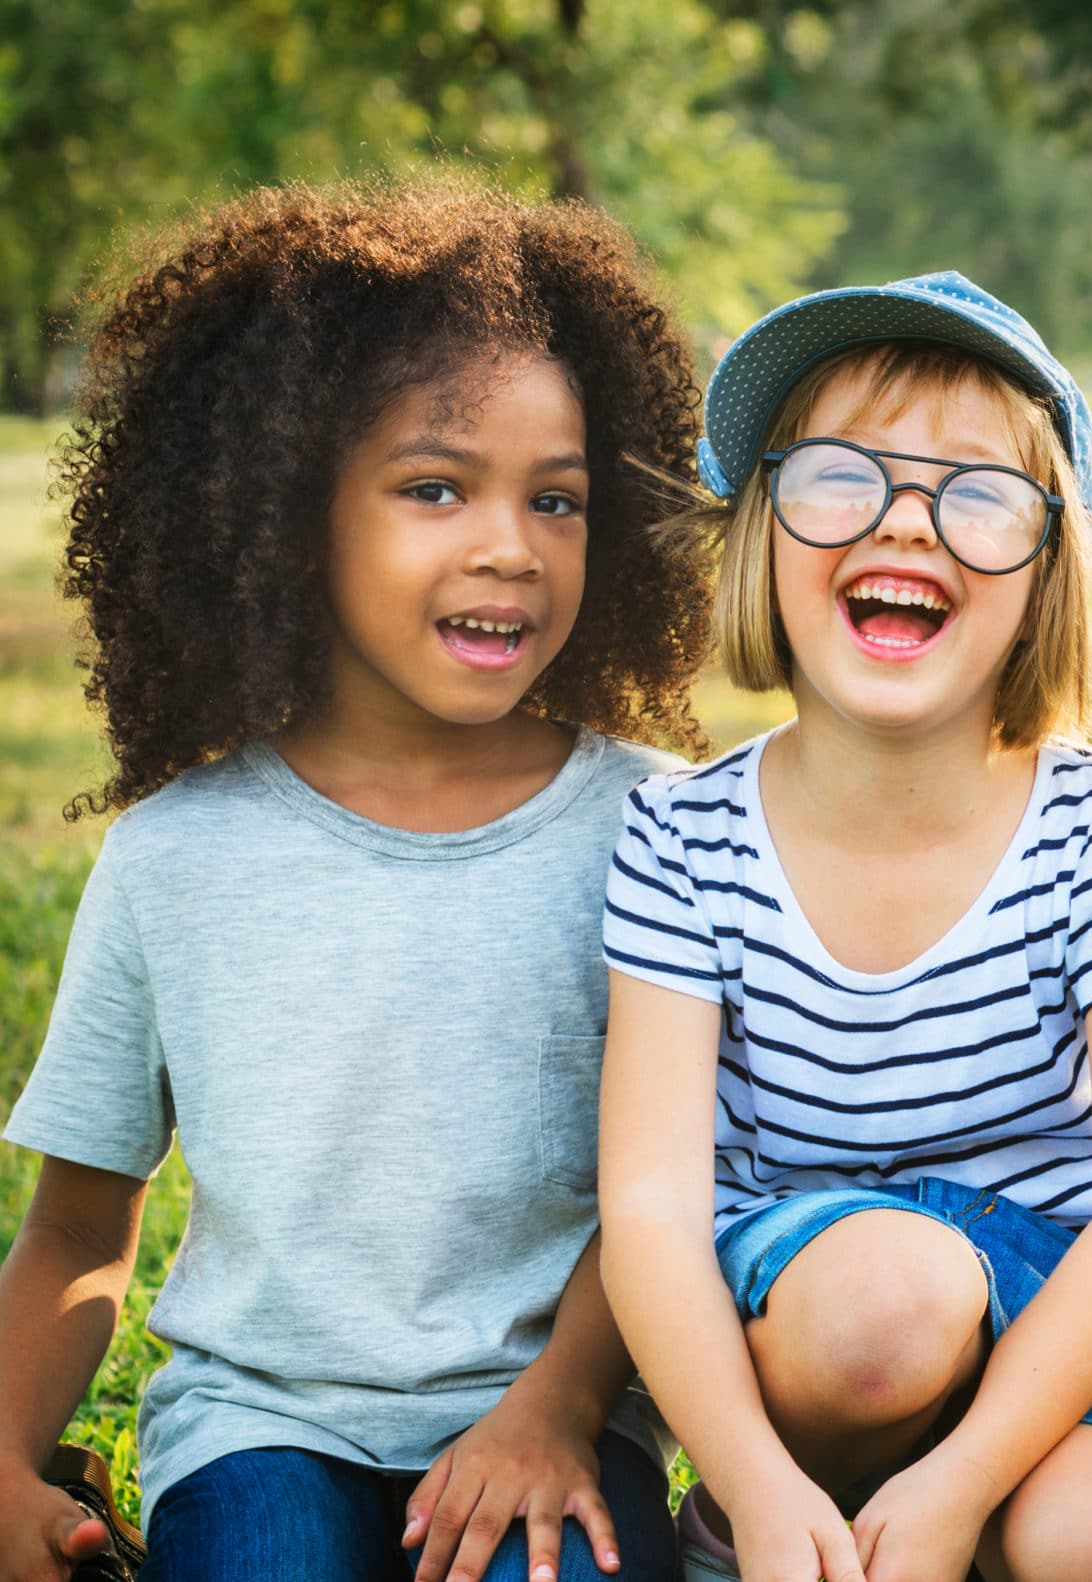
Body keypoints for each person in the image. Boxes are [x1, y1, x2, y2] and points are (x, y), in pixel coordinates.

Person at [0, 178, 713, 1582]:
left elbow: (680, 1189)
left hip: (559, 1414)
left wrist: (559, 1407)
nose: (509, 543)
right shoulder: (177, 854)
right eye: (434, 486)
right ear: (282, 511)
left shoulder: (666, 830)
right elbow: (80, 1225)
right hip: (256, 1425)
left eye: (556, 498)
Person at [595, 274, 1092, 1582]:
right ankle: (777, 1531)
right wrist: (757, 1483)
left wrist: (958, 1484)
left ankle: (943, 1531)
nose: (910, 525)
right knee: (896, 1295)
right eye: (841, 476)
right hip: (818, 1299)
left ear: (1049, 564)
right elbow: (652, 1207)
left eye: (979, 493)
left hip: (1062, 1305)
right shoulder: (684, 841)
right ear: (763, 527)